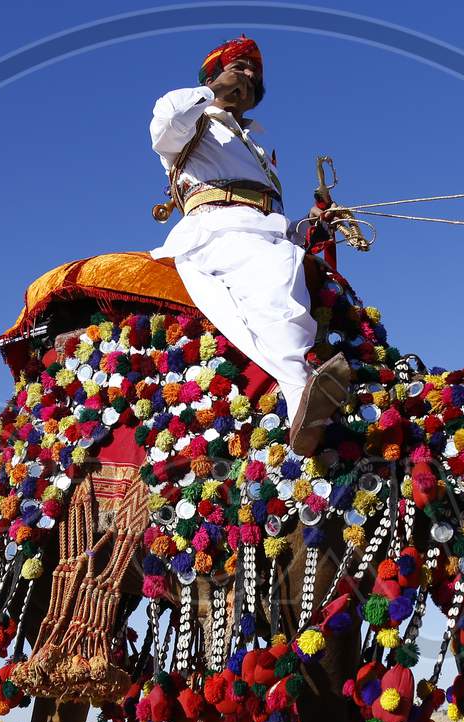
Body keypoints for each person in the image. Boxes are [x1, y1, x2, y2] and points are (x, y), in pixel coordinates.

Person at [148, 36, 352, 456]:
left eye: (253, 72)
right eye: (238, 67)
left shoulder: (259, 146)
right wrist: (212, 92)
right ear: (213, 73)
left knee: (289, 263)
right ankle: (300, 394)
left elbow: (270, 216)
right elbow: (165, 124)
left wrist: (307, 226)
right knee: (273, 274)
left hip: (264, 230)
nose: (248, 75)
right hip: (219, 231)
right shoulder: (193, 118)